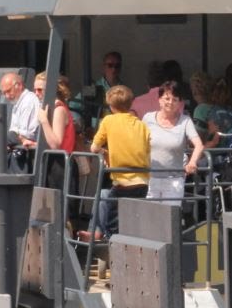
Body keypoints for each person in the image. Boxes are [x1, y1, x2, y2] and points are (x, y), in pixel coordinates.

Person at [83, 85, 151, 241]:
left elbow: (94, 147)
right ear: (130, 104)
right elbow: (146, 149)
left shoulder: (108, 120)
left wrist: (105, 153)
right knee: (108, 199)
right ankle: (100, 234)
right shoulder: (142, 125)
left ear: (110, 106)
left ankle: (107, 240)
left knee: (112, 219)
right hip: (142, 182)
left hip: (122, 181)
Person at [143, 81, 205, 203]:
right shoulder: (147, 118)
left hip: (174, 181)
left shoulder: (185, 121)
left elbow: (199, 145)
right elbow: (138, 143)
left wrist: (192, 162)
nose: (170, 102)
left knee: (171, 218)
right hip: (150, 178)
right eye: (167, 98)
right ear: (159, 100)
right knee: (150, 218)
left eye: (175, 99)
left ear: (179, 103)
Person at [0, 72, 39, 172]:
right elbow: (14, 132)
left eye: (9, 91)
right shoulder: (17, 103)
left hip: (27, 157)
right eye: (4, 93)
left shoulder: (28, 101)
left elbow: (25, 134)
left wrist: (14, 138)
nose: (7, 96)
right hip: (17, 156)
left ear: (20, 85)